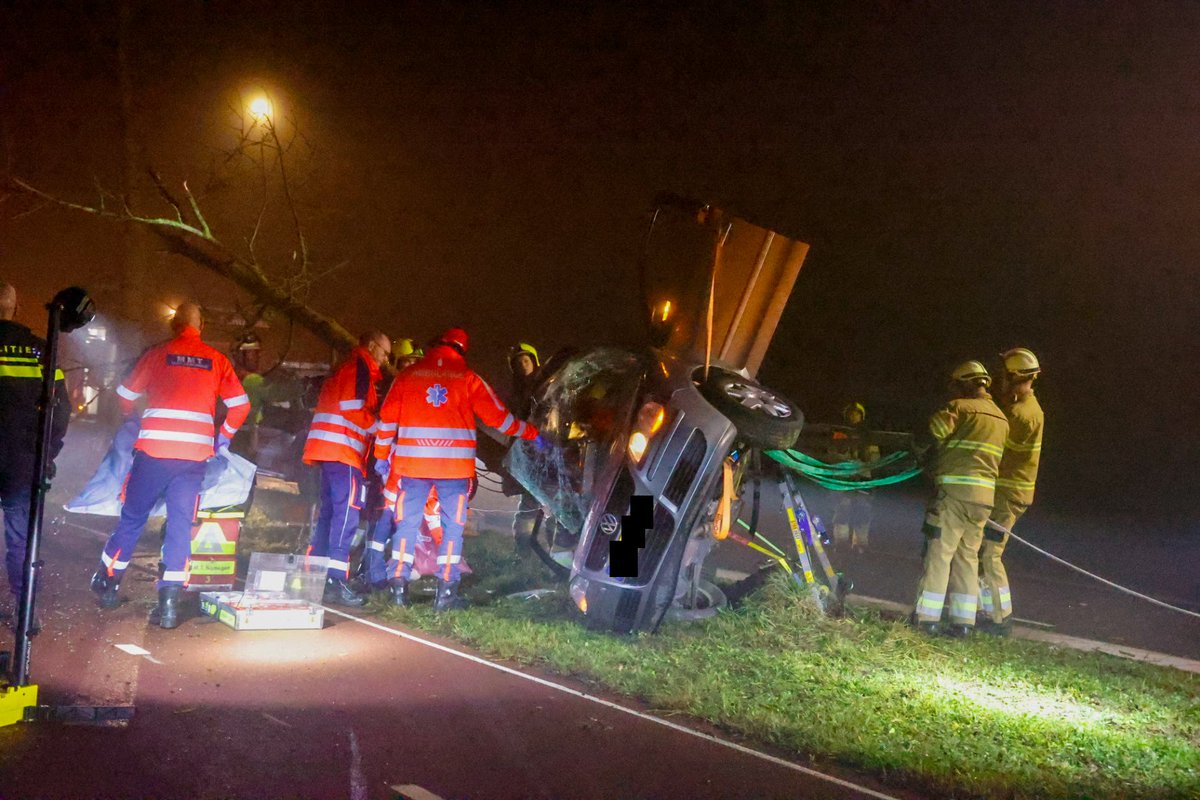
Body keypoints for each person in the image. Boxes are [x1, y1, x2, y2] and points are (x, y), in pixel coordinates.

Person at [90, 302, 249, 629]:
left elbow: (124, 394)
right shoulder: (217, 361)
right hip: (193, 460)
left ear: (174, 325)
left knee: (133, 518)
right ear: (200, 325)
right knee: (179, 525)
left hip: (152, 454)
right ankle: (169, 606)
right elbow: (240, 406)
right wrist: (223, 438)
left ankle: (108, 583)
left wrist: (134, 419)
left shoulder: (157, 354)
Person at [373, 328, 539, 609]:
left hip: (411, 467)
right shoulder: (468, 378)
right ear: (461, 349)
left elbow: (387, 421)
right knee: (452, 529)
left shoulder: (407, 377)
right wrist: (533, 433)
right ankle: (446, 593)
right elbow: (500, 420)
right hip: (454, 471)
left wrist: (380, 456)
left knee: (407, 526)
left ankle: (398, 589)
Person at [911, 360, 1008, 637]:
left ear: (965, 383)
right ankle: (963, 624)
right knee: (968, 557)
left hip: (953, 494)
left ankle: (926, 619)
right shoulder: (1001, 418)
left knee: (940, 553)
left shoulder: (959, 408)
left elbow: (932, 434)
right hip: (984, 499)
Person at [301, 330, 391, 607]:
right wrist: (380, 429)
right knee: (347, 515)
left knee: (329, 513)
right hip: (343, 452)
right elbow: (352, 408)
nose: (386, 360)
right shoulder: (361, 367)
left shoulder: (348, 366)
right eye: (385, 353)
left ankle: (316, 576)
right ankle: (336, 579)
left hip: (328, 450)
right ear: (373, 347)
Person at [0, 282, 70, 624]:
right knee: (21, 540)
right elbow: (60, 412)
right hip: (23, 461)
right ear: (14, 306)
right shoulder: (40, 351)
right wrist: (47, 454)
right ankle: (24, 612)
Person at [978, 348, 1044, 636]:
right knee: (983, 552)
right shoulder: (1024, 408)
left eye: (1002, 375)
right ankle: (989, 612)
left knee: (990, 554)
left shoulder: (1021, 414)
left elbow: (996, 451)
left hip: (1007, 495)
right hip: (1008, 493)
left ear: (1013, 377)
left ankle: (1001, 619)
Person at [506, 342, 543, 554]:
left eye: (526, 360)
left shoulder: (547, 386)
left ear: (534, 362)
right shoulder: (515, 394)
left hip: (546, 453)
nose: (523, 365)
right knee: (528, 506)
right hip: (527, 456)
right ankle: (523, 551)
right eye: (518, 362)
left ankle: (557, 552)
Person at [829, 401, 880, 554]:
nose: (853, 416)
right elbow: (833, 455)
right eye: (851, 413)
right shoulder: (839, 433)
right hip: (843, 479)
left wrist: (867, 456)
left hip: (863, 479)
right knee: (842, 511)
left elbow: (876, 458)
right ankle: (841, 545)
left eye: (856, 413)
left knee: (863, 512)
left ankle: (861, 546)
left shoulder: (868, 436)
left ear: (861, 416)